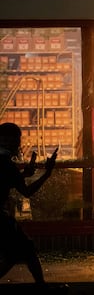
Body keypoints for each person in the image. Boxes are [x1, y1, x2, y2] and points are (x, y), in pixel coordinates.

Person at [0, 122, 58, 287]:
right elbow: (26, 192)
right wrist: (47, 173)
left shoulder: (4, 162)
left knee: (14, 253)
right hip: (1, 217)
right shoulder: (7, 164)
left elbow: (6, 181)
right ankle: (41, 286)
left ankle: (41, 285)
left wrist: (23, 174)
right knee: (27, 249)